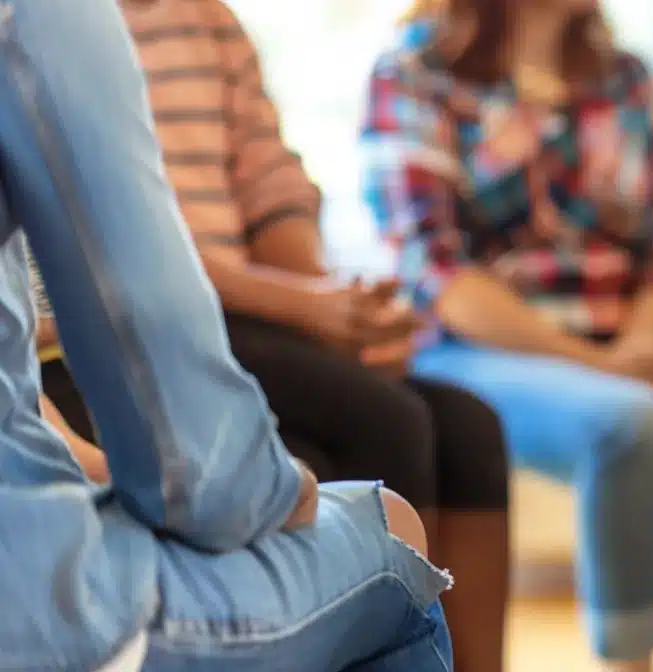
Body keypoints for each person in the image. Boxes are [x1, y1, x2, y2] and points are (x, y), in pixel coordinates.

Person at [33, 2, 513, 667]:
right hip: (131, 332)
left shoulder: (205, 20)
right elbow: (130, 270)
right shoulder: (53, 28)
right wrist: (303, 310)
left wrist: (339, 305)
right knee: (387, 436)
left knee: (465, 426)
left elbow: (272, 187)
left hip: (237, 317)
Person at [361, 2, 653, 670]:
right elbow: (437, 272)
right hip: (480, 348)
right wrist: (601, 364)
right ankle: (629, 661)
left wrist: (639, 344)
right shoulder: (415, 74)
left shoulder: (627, 78)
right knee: (636, 426)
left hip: (624, 333)